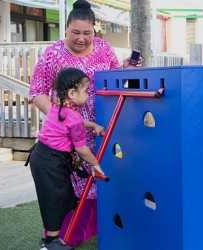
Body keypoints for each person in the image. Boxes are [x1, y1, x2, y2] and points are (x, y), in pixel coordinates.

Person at [29, 0, 139, 246]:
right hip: (68, 136)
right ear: (66, 29)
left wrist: (126, 67)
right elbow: (37, 91)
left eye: (86, 33)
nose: (81, 38)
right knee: (72, 185)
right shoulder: (53, 54)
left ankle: (100, 230)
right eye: (75, 33)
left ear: (94, 30)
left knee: (102, 180)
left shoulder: (103, 48)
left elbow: (114, 76)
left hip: (102, 129)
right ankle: (63, 236)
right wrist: (62, 118)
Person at [30, 67, 106, 250]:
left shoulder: (58, 108)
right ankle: (51, 243)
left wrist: (93, 125)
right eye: (86, 91)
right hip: (50, 162)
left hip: (41, 156)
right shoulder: (72, 116)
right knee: (54, 199)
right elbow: (81, 149)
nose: (88, 95)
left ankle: (55, 237)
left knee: (64, 196)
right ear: (72, 93)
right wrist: (95, 164)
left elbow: (76, 122)